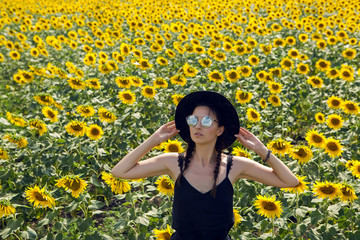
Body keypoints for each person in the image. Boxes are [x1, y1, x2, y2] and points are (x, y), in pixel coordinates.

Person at [111, 91, 299, 240]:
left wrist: (261, 150)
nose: (198, 126)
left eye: (206, 120)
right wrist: (153, 140)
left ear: (220, 130)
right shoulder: (173, 162)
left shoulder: (235, 165)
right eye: (193, 120)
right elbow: (119, 171)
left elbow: (290, 181)